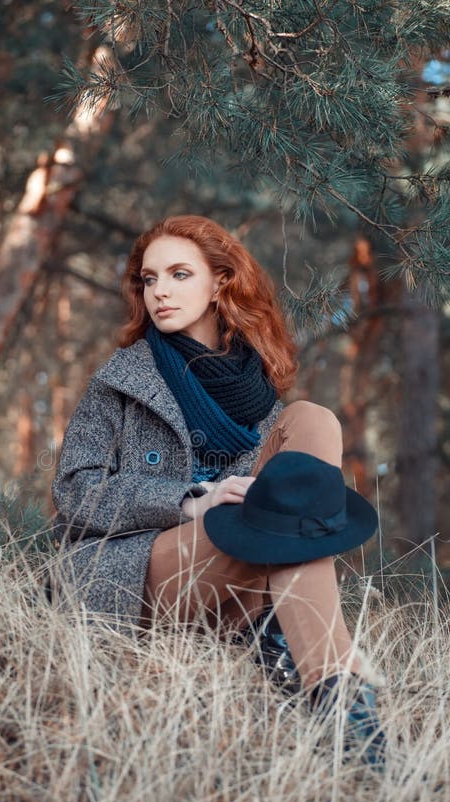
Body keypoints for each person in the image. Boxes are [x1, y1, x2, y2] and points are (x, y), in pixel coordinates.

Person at [51, 215, 386, 770]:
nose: (159, 290)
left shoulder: (263, 398)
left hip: (237, 575)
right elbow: (75, 493)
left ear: (220, 283)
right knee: (266, 523)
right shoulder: (120, 381)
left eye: (180, 274)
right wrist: (189, 499)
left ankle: (345, 712)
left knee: (313, 419)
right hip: (137, 577)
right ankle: (329, 675)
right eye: (149, 278)